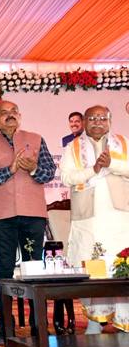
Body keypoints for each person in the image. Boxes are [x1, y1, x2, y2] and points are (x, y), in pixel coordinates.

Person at [0, 100, 56, 344]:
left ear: (19, 116)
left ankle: (38, 325)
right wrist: (9, 170)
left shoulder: (36, 139)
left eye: (14, 112)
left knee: (34, 268)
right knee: (4, 270)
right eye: (4, 113)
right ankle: (6, 327)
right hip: (3, 216)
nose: (10, 116)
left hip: (33, 214)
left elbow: (49, 172)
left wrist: (33, 169)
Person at [60, 105, 129, 334]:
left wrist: (112, 164)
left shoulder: (124, 143)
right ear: (84, 121)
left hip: (120, 217)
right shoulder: (73, 147)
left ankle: (125, 321)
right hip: (88, 218)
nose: (97, 122)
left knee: (121, 266)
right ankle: (94, 320)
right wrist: (95, 168)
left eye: (102, 118)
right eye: (92, 118)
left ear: (110, 121)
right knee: (92, 265)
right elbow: (67, 177)